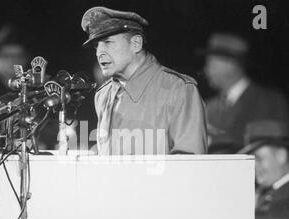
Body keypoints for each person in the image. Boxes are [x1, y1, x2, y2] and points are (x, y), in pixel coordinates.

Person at [81, 7, 207, 155]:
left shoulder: (178, 89)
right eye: (96, 45)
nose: (99, 52)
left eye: (107, 42)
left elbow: (189, 165)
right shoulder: (103, 95)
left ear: (136, 44)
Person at [203, 33, 289, 150]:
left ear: (230, 64)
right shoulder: (209, 107)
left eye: (211, 63)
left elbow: (278, 145)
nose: (206, 70)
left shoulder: (270, 102)